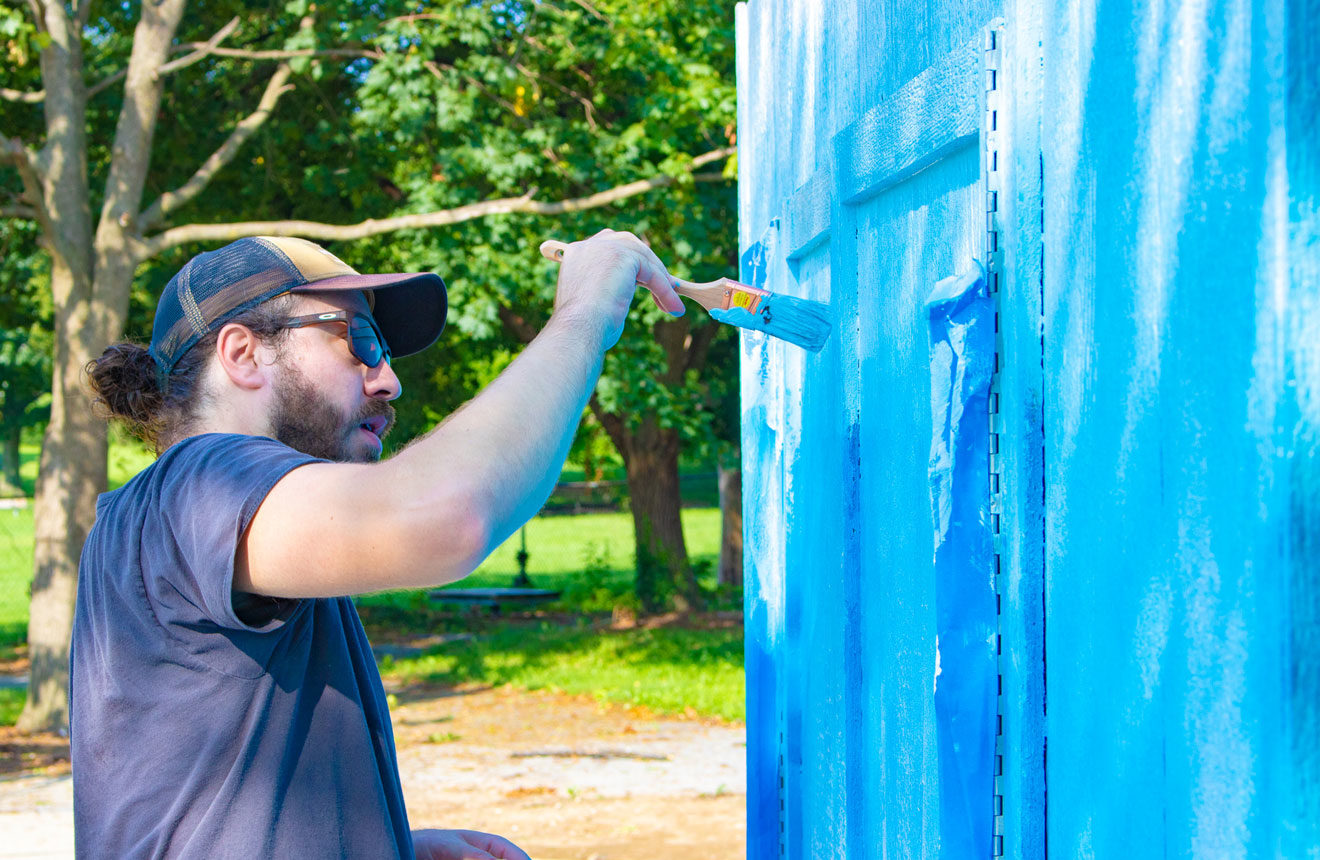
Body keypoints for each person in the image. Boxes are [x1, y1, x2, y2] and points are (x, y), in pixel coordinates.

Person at [73, 231, 684, 859]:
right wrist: (583, 315)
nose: (388, 380)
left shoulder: (198, 526)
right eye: (358, 341)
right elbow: (448, 516)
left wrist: (387, 846)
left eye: (384, 350)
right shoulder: (201, 482)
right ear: (243, 354)